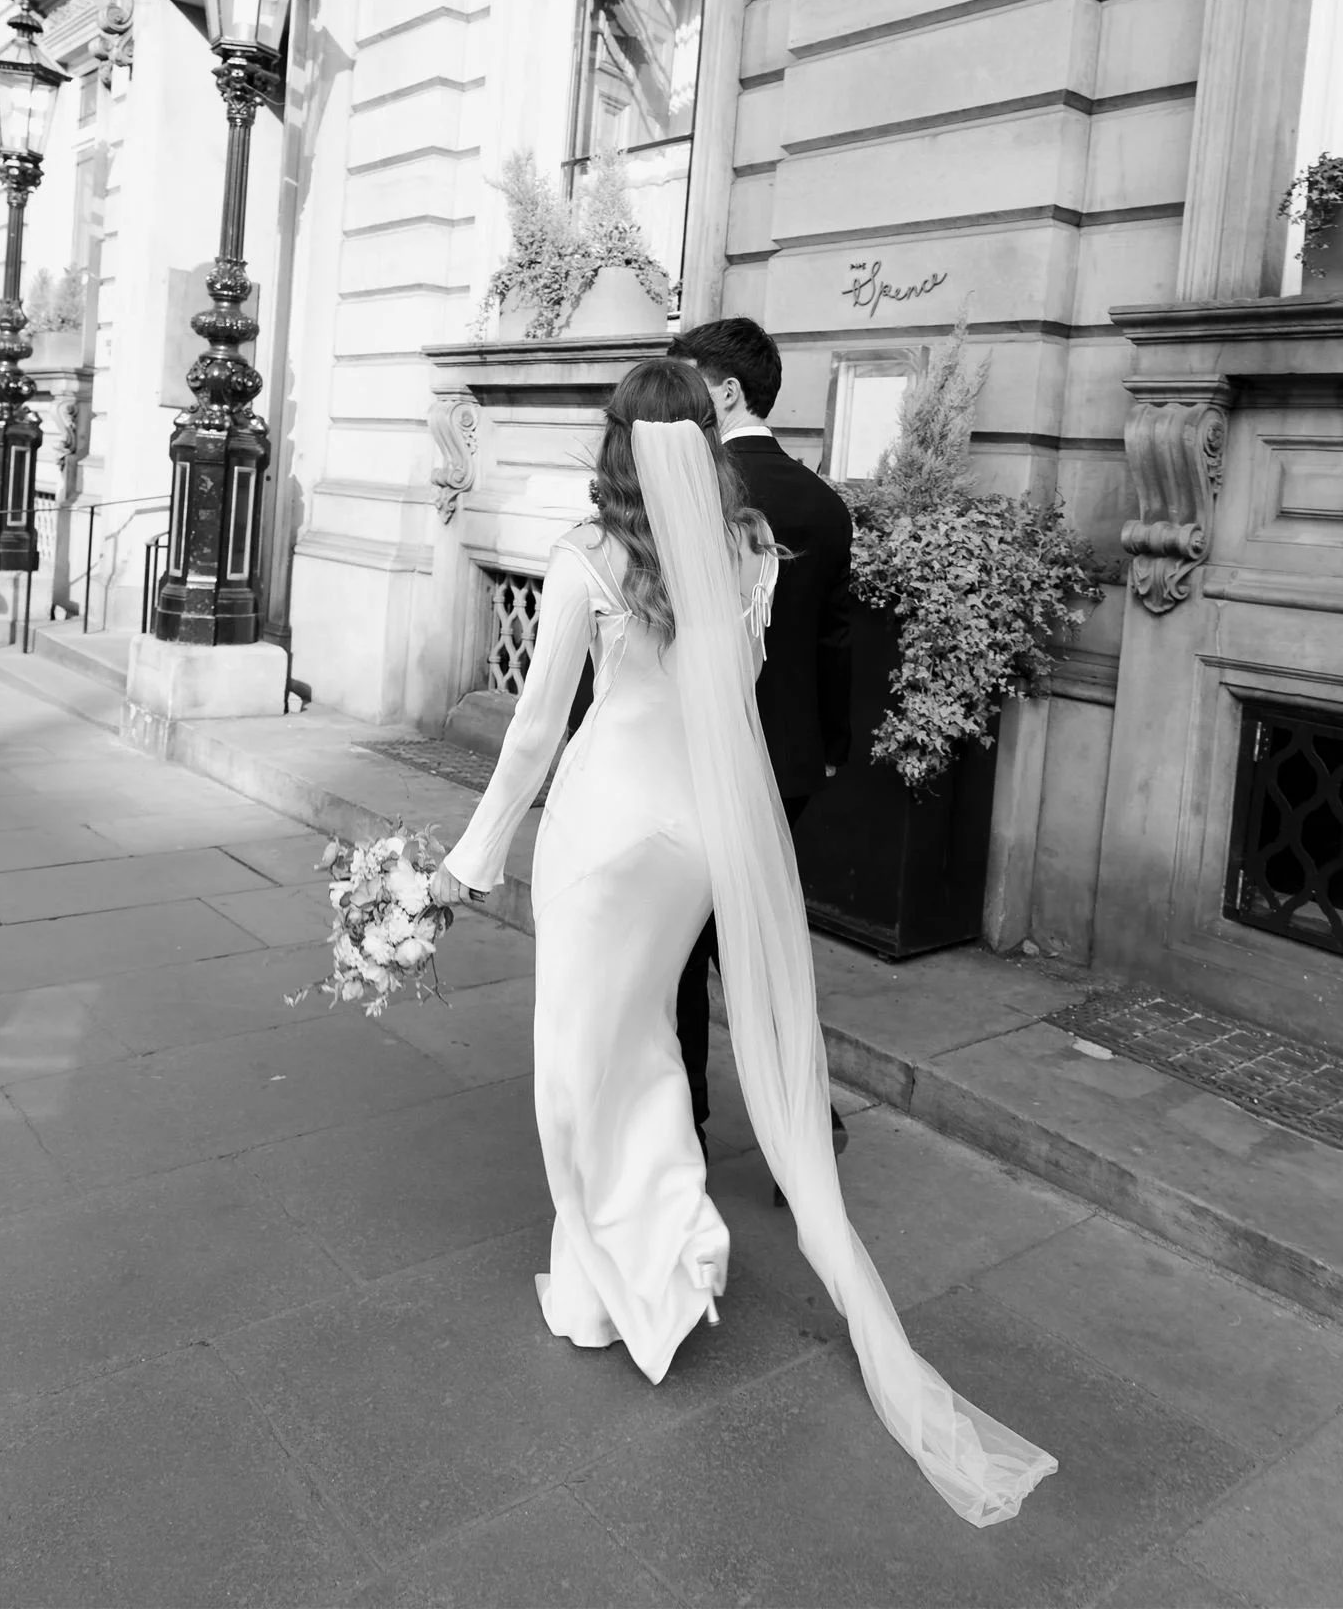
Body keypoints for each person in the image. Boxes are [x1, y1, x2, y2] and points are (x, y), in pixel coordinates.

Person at [441, 357, 1056, 1526]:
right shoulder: (750, 553)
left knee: (580, 1062)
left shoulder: (587, 560)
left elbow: (531, 737)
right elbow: (739, 699)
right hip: (697, 842)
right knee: (648, 1052)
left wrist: (466, 860)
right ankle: (604, 1278)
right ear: (705, 443)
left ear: (620, 445)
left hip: (605, 833)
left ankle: (661, 1249)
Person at [665, 317, 852, 1174]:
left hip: (700, 756)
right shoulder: (822, 502)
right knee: (765, 944)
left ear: (725, 391)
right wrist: (830, 752)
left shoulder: (694, 488)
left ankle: (689, 1128)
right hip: (787, 765)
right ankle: (808, 1125)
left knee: (680, 950)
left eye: (686, 383)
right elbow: (834, 645)